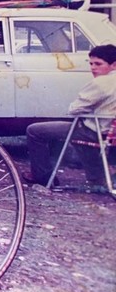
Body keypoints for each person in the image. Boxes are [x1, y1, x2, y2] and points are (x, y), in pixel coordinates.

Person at [22, 44, 116, 188]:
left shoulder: (102, 82)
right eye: (91, 63)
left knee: (34, 131)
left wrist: (86, 109)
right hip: (109, 133)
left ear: (113, 65)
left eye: (98, 64)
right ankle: (98, 178)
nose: (93, 68)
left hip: (92, 130)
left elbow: (73, 109)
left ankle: (42, 176)